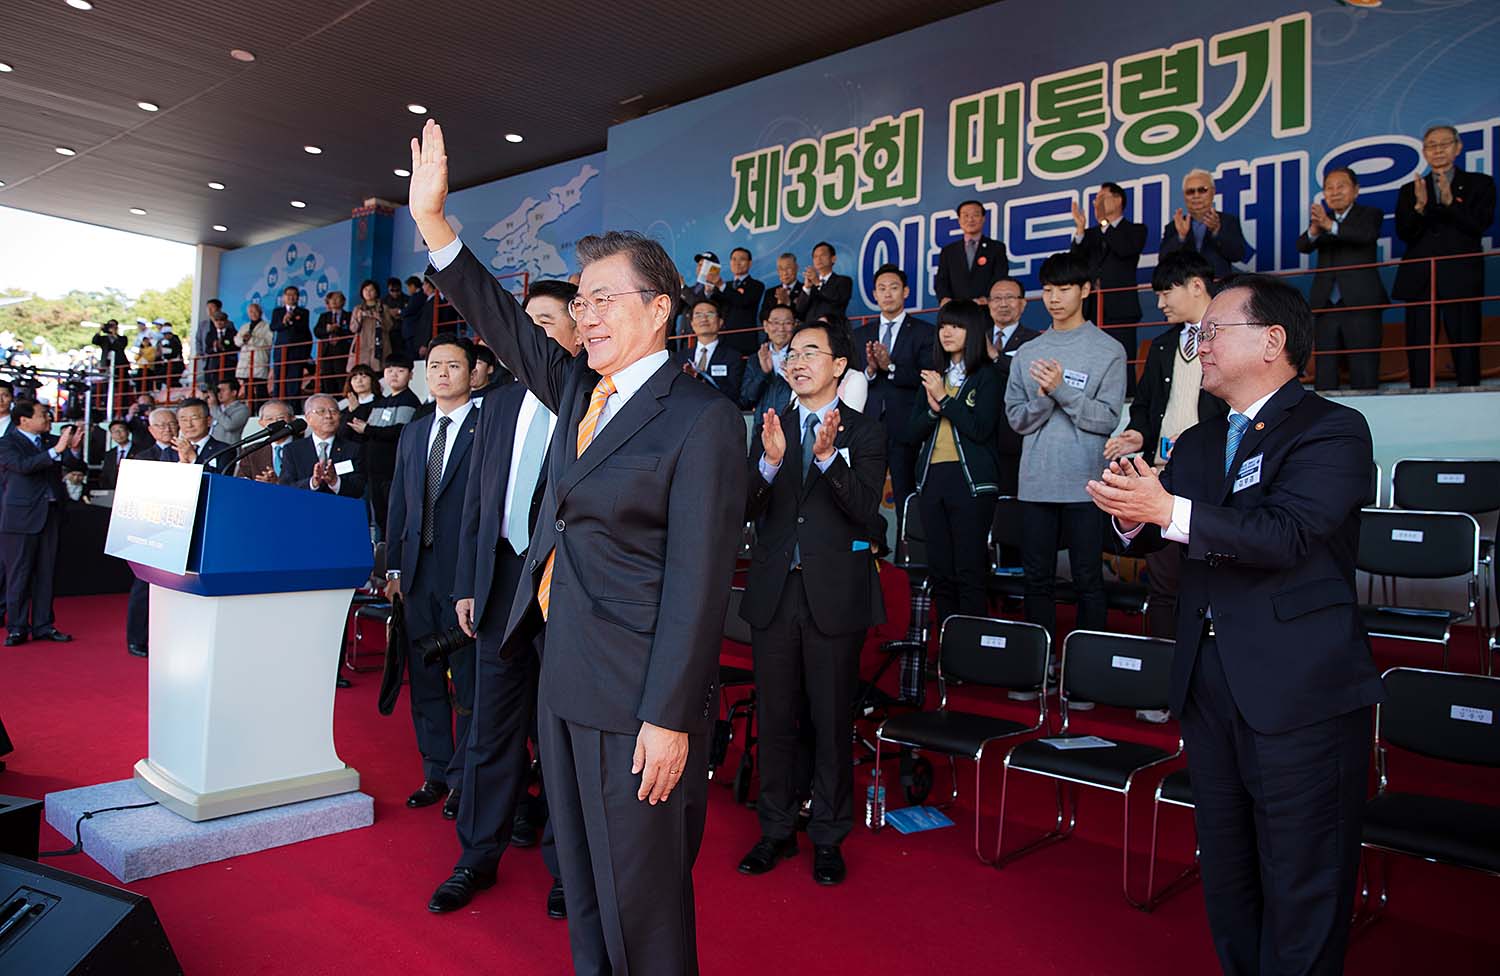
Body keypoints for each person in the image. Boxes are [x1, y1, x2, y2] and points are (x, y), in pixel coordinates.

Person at [412, 118, 745, 976]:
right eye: (582, 301)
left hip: (639, 697)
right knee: (589, 887)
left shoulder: (701, 419)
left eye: (605, 300)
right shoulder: (578, 390)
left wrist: (669, 716)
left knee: (643, 894)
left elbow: (700, 584)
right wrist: (435, 226)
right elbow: (503, 322)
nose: (586, 317)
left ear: (661, 309)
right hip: (562, 672)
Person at [1087, 273, 1383, 976]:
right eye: (1198, 334)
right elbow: (1175, 537)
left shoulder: (1332, 429)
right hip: (1208, 680)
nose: (1199, 346)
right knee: (1228, 866)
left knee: (1304, 873)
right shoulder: (1196, 441)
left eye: (1211, 331)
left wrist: (1168, 513)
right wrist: (1134, 520)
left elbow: (1285, 534)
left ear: (1272, 341)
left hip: (1297, 687)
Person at [430, 282, 580, 918]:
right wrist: (468, 581)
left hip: (564, 592)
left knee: (561, 736)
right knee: (491, 729)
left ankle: (565, 869)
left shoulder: (593, 398)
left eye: (548, 322)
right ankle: (476, 856)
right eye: (528, 323)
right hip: (497, 588)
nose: (535, 334)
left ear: (578, 330)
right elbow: (477, 507)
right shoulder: (495, 404)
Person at [740, 318, 886, 884]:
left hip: (834, 596)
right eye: (791, 352)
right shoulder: (770, 424)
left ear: (839, 365)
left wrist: (829, 460)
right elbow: (747, 506)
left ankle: (828, 835)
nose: (797, 361)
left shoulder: (865, 433)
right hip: (776, 593)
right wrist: (771, 463)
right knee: (776, 720)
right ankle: (774, 830)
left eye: (811, 352)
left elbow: (866, 514)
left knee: (829, 722)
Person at [1105, 250, 1227, 642]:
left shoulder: (1230, 339)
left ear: (1196, 285)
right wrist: (1138, 433)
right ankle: (1160, 689)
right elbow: (1144, 406)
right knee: (1163, 584)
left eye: (1165, 293)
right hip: (1162, 476)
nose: (1159, 304)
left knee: (1216, 585)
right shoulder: (1160, 346)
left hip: (1214, 476)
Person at [1004, 250, 1125, 643]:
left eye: (1065, 288)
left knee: (1088, 577)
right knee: (1036, 577)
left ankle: (1087, 673)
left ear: (1086, 290)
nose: (1054, 298)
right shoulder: (1028, 352)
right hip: (1036, 481)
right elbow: (1016, 419)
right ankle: (1038, 664)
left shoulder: (1108, 350)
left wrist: (1061, 390)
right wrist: (1045, 398)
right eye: (1049, 289)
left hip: (1086, 483)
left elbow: (1106, 419)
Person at [386, 335, 480, 821]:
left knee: (467, 682)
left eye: (453, 366)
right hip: (417, 577)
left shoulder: (487, 427)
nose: (442, 373)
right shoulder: (415, 431)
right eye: (435, 365)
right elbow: (400, 503)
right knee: (423, 678)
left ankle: (465, 777)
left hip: (465, 579)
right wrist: (395, 569)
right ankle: (435, 770)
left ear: (473, 372)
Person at [910, 301, 1002, 629]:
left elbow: (980, 429)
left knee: (969, 568)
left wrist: (945, 400)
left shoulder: (987, 376)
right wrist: (933, 409)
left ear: (973, 331)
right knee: (940, 570)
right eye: (943, 326)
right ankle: (948, 647)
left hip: (973, 482)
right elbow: (910, 431)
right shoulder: (934, 375)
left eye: (957, 326)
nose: (947, 332)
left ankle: (971, 648)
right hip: (932, 478)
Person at [1393, 124, 1496, 388]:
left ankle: (1469, 394)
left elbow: (1480, 225)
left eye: (1444, 144)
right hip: (1420, 278)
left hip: (1460, 275)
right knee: (1419, 345)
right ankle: (1418, 397)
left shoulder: (1480, 183)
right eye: (1431, 145)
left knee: (1465, 342)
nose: (1437, 150)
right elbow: (1405, 233)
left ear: (1458, 147)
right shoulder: (1411, 189)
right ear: (1425, 152)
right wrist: (1418, 207)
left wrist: (1450, 203)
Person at [850, 264, 935, 525]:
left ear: (906, 292)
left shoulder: (924, 331)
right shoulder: (860, 334)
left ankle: (906, 556)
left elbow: (927, 377)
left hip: (905, 426)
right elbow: (852, 378)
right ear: (874, 294)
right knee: (862, 495)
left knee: (905, 495)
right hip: (868, 426)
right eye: (882, 289)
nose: (888, 294)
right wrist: (871, 371)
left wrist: (892, 367)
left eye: (894, 288)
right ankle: (862, 557)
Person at [1296, 166, 1389, 391]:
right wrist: (1315, 231)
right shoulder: (1322, 222)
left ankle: (1368, 419)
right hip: (1326, 305)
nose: (1335, 192)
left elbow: (1364, 235)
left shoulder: (1369, 214)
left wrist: (1330, 226)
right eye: (1329, 188)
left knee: (1363, 367)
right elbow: (1303, 245)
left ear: (1356, 191)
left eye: (1341, 186)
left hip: (1361, 303)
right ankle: (1323, 423)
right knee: (1326, 369)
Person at [0, 400, 78, 646]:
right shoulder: (6, 443)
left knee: (47, 574)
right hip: (21, 519)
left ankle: (44, 625)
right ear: (24, 420)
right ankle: (17, 627)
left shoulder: (50, 440)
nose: (49, 419)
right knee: (19, 575)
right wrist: (56, 450)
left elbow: (77, 466)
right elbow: (23, 466)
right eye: (43, 414)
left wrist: (73, 450)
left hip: (51, 515)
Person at [1070, 181, 1148, 394]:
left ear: (1119, 200)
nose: (1097, 204)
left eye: (1102, 198)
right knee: (1090, 359)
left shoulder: (1135, 230)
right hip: (1091, 308)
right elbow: (1075, 264)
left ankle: (1127, 401)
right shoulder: (1091, 234)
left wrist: (1105, 223)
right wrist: (1079, 229)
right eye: (1096, 200)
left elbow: (1125, 249)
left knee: (1122, 359)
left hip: (1120, 308)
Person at [123, 406, 179, 658]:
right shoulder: (143, 457)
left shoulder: (188, 453)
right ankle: (137, 638)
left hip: (182, 528)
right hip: (152, 530)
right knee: (143, 586)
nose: (168, 429)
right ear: (151, 429)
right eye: (161, 425)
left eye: (171, 424)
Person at [985, 277, 1041, 496]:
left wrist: (995, 357)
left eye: (1010, 297)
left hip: (1015, 436)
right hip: (981, 434)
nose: (1003, 304)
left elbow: (1030, 376)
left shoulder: (1034, 341)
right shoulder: (977, 338)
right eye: (997, 298)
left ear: (1023, 303)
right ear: (988, 304)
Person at [359, 358, 421, 537]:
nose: (394, 374)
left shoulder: (410, 400)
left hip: (392, 470)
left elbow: (399, 430)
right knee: (378, 518)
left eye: (400, 371)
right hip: (374, 471)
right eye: (389, 370)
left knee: (393, 518)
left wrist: (368, 429)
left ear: (411, 375)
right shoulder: (381, 401)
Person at [1160, 169, 1247, 280]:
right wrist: (1180, 237)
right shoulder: (1174, 226)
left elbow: (1238, 254)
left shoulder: (1228, 221)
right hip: (1186, 290)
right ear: (1184, 196)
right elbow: (1163, 261)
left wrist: (1217, 232)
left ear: (1213, 192)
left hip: (1218, 288)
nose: (1196, 196)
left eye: (1202, 190)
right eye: (1190, 192)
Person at [279, 394, 365, 498]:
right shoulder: (293, 450)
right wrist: (313, 483)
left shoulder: (354, 449)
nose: (328, 416)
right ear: (308, 418)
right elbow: (286, 487)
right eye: (321, 411)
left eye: (333, 411)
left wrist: (334, 481)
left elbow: (359, 488)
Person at [934, 199, 1007, 304]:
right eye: (966, 216)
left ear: (983, 219)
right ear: (959, 220)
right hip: (956, 311)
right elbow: (941, 280)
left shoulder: (996, 248)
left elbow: (1000, 277)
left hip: (986, 308)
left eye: (975, 215)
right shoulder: (948, 251)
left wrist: (988, 298)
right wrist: (944, 298)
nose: (970, 219)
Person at [674, 298, 746, 401]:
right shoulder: (679, 358)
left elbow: (734, 395)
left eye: (710, 314)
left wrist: (701, 379)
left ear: (720, 322)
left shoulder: (733, 357)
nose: (704, 319)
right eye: (698, 315)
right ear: (692, 324)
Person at [740, 303, 796, 416]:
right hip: (762, 425)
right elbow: (746, 399)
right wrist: (763, 373)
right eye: (775, 322)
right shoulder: (755, 359)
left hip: (792, 423)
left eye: (787, 323)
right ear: (765, 326)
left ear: (794, 326)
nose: (781, 328)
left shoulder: (801, 358)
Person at [235, 400, 298, 481]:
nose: (275, 423)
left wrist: (277, 483)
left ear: (293, 419)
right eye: (269, 419)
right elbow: (241, 482)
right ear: (261, 423)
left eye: (280, 418)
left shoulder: (305, 448)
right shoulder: (251, 451)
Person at [718, 247, 765, 355]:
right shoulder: (724, 286)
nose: (737, 263)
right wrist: (709, 289)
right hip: (723, 343)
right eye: (734, 259)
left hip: (744, 342)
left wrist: (721, 286)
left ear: (750, 263)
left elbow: (743, 301)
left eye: (742, 259)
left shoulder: (756, 285)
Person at [270, 286, 313, 400]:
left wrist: (292, 320)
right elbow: (273, 327)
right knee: (279, 381)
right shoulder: (278, 311)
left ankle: (293, 409)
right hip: (281, 352)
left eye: (294, 295)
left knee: (293, 383)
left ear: (298, 297)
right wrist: (284, 321)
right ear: (284, 297)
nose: (291, 297)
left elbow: (304, 330)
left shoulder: (303, 312)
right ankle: (277, 408)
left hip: (296, 353)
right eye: (288, 294)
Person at [172, 397, 234, 474]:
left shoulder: (224, 450)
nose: (189, 425)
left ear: (208, 421)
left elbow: (221, 480)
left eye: (194, 418)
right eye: (184, 420)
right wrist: (182, 464)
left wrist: (193, 458)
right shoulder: (170, 451)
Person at [794, 242, 852, 323]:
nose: (818, 259)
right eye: (815, 256)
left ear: (833, 259)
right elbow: (799, 310)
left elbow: (837, 300)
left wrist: (818, 283)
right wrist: (806, 288)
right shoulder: (811, 284)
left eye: (823, 255)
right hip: (811, 330)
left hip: (832, 329)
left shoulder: (843, 281)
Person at [349, 279, 398, 374]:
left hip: (379, 345)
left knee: (378, 373)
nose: (368, 292)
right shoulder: (358, 309)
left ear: (376, 292)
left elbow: (389, 327)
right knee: (362, 372)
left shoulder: (383, 308)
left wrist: (379, 318)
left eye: (371, 290)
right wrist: (359, 318)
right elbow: (353, 329)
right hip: (362, 344)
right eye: (365, 290)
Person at [313, 291, 352, 393]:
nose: (334, 301)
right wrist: (327, 330)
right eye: (331, 299)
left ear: (343, 301)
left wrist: (339, 330)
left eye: (337, 298)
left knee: (341, 379)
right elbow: (317, 331)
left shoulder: (349, 315)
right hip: (327, 352)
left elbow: (352, 331)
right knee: (327, 380)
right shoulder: (324, 316)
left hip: (342, 352)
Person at [235, 302, 273, 402]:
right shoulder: (245, 326)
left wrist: (252, 339)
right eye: (251, 312)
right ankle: (251, 413)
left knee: (261, 391)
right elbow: (237, 341)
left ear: (260, 312)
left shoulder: (267, 326)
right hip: (246, 364)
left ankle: (262, 411)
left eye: (255, 311)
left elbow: (268, 343)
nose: (253, 313)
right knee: (248, 391)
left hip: (259, 362)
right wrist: (243, 339)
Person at [759, 252, 805, 322]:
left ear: (796, 268)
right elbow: (762, 317)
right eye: (781, 269)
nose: (785, 273)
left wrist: (788, 303)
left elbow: (807, 316)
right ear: (777, 271)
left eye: (788, 268)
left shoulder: (805, 290)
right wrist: (778, 305)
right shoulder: (770, 292)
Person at [207, 376, 250, 444]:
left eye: (223, 390)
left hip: (229, 448)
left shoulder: (242, 409)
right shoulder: (217, 408)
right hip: (213, 448)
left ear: (234, 392)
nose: (219, 393)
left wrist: (214, 407)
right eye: (218, 390)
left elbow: (229, 426)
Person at [400, 276, 434, 358]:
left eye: (424, 284)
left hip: (417, 336)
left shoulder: (419, 297)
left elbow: (428, 323)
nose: (423, 287)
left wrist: (424, 343)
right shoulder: (426, 299)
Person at [98, 419, 134, 490]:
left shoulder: (140, 452)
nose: (118, 433)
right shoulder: (109, 454)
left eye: (121, 430)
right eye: (114, 431)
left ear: (128, 432)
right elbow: (105, 476)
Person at [193, 299, 223, 364]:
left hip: (222, 358)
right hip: (207, 357)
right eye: (208, 308)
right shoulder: (203, 324)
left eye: (212, 307)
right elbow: (198, 340)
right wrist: (199, 353)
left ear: (219, 309)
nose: (209, 310)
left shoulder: (227, 323)